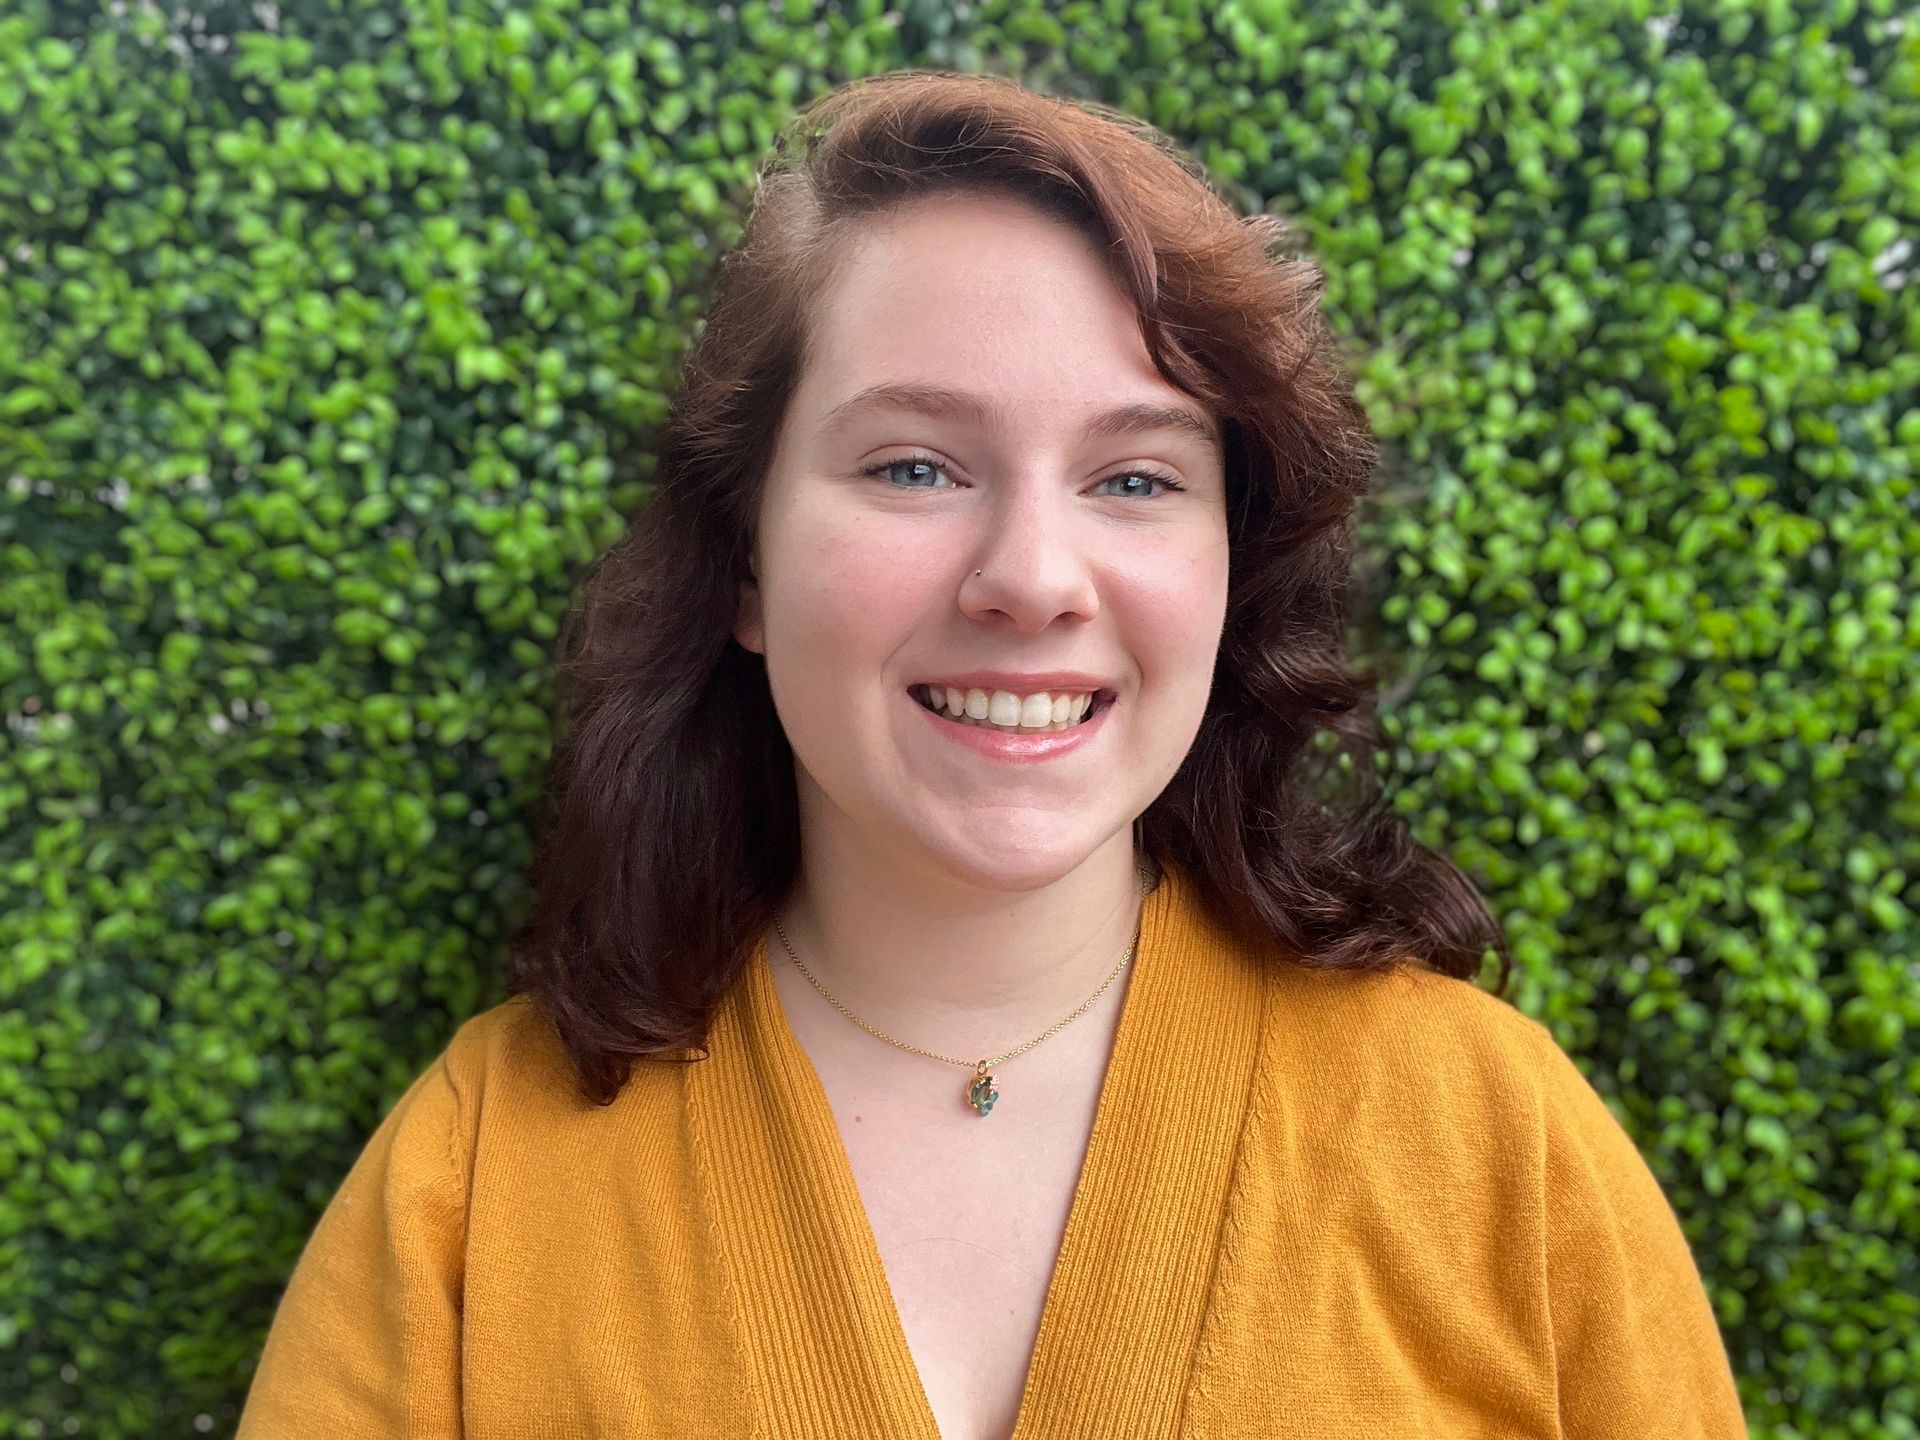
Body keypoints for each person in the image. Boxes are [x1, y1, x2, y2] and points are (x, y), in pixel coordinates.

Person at [236, 68, 1748, 1439]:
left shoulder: (1497, 1148)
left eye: (1135, 475)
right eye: (913, 464)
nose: (1031, 575)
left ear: (1231, 566)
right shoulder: (475, 1181)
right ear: (747, 563)